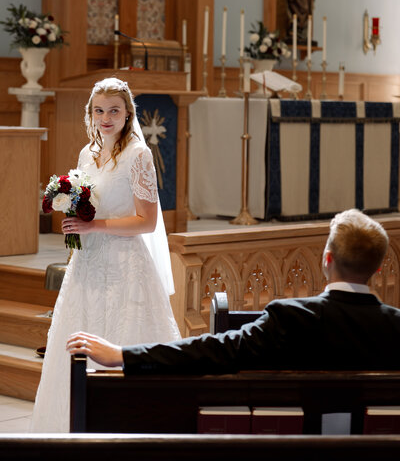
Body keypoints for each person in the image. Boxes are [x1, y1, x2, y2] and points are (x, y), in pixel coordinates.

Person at [67, 209, 400, 373]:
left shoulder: (291, 318)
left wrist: (123, 355)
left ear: (326, 260)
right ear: (379, 268)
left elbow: (213, 349)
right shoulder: (395, 325)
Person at [31, 78, 180, 432]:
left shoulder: (138, 155)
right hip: (88, 262)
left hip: (125, 263)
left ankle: (127, 426)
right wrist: (73, 213)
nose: (106, 118)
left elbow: (147, 221)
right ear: (91, 114)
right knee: (75, 335)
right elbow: (89, 203)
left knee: (124, 332)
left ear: (128, 113)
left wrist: (95, 227)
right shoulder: (87, 153)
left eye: (114, 110)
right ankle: (69, 425)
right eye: (99, 111)